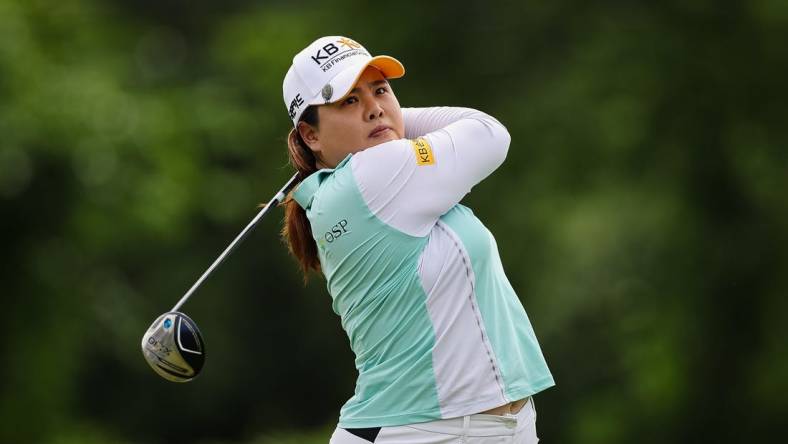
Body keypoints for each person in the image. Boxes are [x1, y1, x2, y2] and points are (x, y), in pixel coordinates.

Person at [280, 36, 555, 444]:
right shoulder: (373, 175)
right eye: (348, 101)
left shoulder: (351, 185)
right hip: (420, 433)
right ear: (311, 135)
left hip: (487, 429)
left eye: (380, 90)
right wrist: (390, 120)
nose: (373, 106)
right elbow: (489, 133)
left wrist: (381, 120)